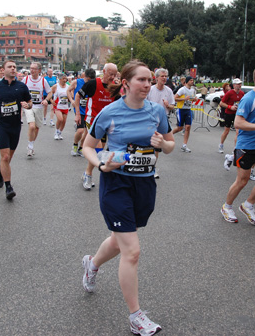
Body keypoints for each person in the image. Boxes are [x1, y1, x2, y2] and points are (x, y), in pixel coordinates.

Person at [80, 60, 175, 336]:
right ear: (126, 84)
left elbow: (170, 146)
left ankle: (92, 264)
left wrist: (162, 144)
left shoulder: (157, 110)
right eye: (142, 80)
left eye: (150, 80)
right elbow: (88, 146)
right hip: (116, 185)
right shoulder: (109, 112)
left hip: (144, 185)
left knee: (119, 240)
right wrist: (100, 163)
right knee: (132, 250)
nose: (148, 84)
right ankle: (136, 316)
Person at [220, 65, 255, 225]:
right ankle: (227, 206)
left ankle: (248, 205)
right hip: (247, 146)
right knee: (242, 181)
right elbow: (238, 123)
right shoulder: (249, 99)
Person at [0, 60, 32, 200]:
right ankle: (8, 187)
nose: (13, 69)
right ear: (3, 70)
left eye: (14, 67)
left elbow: (30, 102)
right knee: (5, 157)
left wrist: (27, 105)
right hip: (1, 124)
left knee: (9, 157)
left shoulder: (22, 87)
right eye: (10, 67)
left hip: (15, 125)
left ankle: (0, 172)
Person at [74, 63, 119, 190]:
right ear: (104, 71)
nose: (112, 77)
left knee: (98, 150)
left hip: (107, 123)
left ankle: (87, 172)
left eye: (115, 74)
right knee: (98, 147)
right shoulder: (93, 84)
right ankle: (92, 174)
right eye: (110, 74)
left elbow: (120, 103)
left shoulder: (114, 87)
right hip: (92, 119)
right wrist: (78, 114)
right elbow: (78, 96)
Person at [146, 67, 175, 179]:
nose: (164, 78)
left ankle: (153, 166)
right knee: (149, 144)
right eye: (162, 76)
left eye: (165, 76)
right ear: (156, 78)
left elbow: (173, 106)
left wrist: (168, 105)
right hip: (149, 119)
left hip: (162, 120)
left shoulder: (169, 91)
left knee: (157, 145)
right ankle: (149, 165)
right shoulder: (151, 89)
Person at [22, 62, 49, 156]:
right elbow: (20, 90)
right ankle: (29, 147)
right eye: (31, 68)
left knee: (36, 128)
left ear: (39, 70)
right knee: (32, 126)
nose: (32, 70)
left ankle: (31, 144)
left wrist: (46, 100)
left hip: (39, 106)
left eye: (34, 68)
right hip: (29, 106)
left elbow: (49, 92)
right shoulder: (25, 79)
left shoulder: (43, 81)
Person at [68, 69, 95, 157]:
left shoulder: (94, 84)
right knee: (80, 131)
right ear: (85, 77)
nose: (90, 82)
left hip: (89, 111)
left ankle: (81, 147)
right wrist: (72, 100)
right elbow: (68, 90)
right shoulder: (77, 82)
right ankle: (75, 145)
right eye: (88, 80)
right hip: (79, 110)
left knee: (87, 132)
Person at [218, 78, 245, 154]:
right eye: (237, 84)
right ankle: (221, 144)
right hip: (229, 113)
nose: (239, 86)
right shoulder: (229, 93)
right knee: (227, 131)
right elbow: (221, 103)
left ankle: (235, 149)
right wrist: (230, 107)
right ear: (233, 85)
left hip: (238, 114)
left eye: (240, 84)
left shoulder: (242, 93)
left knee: (238, 132)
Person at [172, 76, 198, 152]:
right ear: (186, 81)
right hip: (181, 110)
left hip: (188, 110)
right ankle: (168, 135)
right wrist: (184, 99)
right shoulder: (182, 89)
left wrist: (194, 99)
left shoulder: (193, 90)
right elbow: (174, 98)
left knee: (188, 127)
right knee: (180, 128)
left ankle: (184, 145)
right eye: (190, 80)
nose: (192, 81)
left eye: (193, 80)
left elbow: (191, 99)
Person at [45, 73, 73, 140]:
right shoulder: (56, 86)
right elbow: (49, 92)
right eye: (63, 79)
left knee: (64, 121)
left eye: (65, 78)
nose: (65, 80)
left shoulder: (68, 87)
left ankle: (60, 133)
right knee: (60, 119)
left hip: (65, 106)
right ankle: (56, 132)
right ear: (59, 79)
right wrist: (51, 100)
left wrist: (71, 98)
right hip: (57, 106)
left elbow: (71, 94)